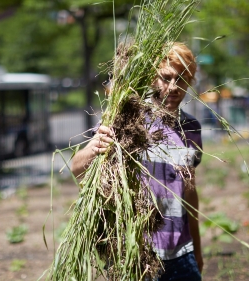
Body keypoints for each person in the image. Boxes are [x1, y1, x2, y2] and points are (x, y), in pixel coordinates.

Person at [71, 42, 203, 281]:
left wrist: (197, 248)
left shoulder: (191, 128)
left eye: (182, 79)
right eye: (166, 78)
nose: (173, 87)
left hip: (181, 254)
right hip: (136, 256)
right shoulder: (128, 121)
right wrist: (93, 148)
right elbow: (76, 168)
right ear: (152, 78)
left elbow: (190, 191)